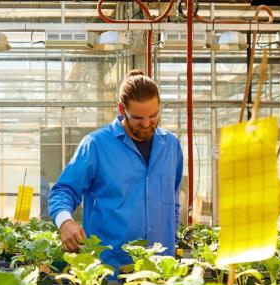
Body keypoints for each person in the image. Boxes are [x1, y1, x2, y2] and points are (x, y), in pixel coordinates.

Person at [48, 69, 183, 273]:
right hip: (111, 269)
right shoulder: (96, 145)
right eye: (138, 117)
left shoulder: (171, 145)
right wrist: (65, 222)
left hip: (160, 269)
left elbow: (172, 201)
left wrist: (171, 245)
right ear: (122, 109)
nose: (147, 123)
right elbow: (63, 191)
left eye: (153, 115)